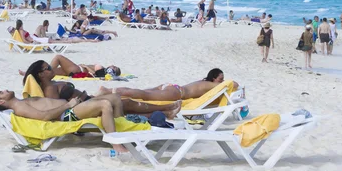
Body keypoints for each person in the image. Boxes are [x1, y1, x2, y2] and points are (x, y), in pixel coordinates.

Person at [22, 60, 182, 119]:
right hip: (84, 107)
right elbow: (58, 109)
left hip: (89, 100)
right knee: (128, 104)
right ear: (41, 74)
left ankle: (166, 112)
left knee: (127, 106)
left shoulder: (52, 82)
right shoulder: (49, 89)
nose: (51, 68)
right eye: (48, 68)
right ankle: (166, 108)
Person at [0, 89, 129, 153]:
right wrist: (68, 105)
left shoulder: (21, 102)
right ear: (1, 101)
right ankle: (115, 143)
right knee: (104, 104)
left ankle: (124, 130)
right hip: (66, 115)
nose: (4, 90)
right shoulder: (19, 107)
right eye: (1, 93)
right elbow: (44, 117)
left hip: (70, 108)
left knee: (115, 97)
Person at [98, 68, 238, 101]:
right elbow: (233, 84)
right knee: (144, 95)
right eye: (220, 78)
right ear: (214, 78)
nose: (222, 81)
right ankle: (109, 91)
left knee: (142, 92)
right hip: (177, 92)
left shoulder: (204, 82)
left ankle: (112, 91)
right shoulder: (212, 85)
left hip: (173, 87)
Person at [18, 54, 121, 78]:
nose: (112, 65)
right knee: (53, 72)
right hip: (76, 70)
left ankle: (42, 70)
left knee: (58, 57)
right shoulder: (104, 70)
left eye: (114, 67)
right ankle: (30, 73)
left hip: (78, 69)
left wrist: (86, 66)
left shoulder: (103, 69)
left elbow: (94, 74)